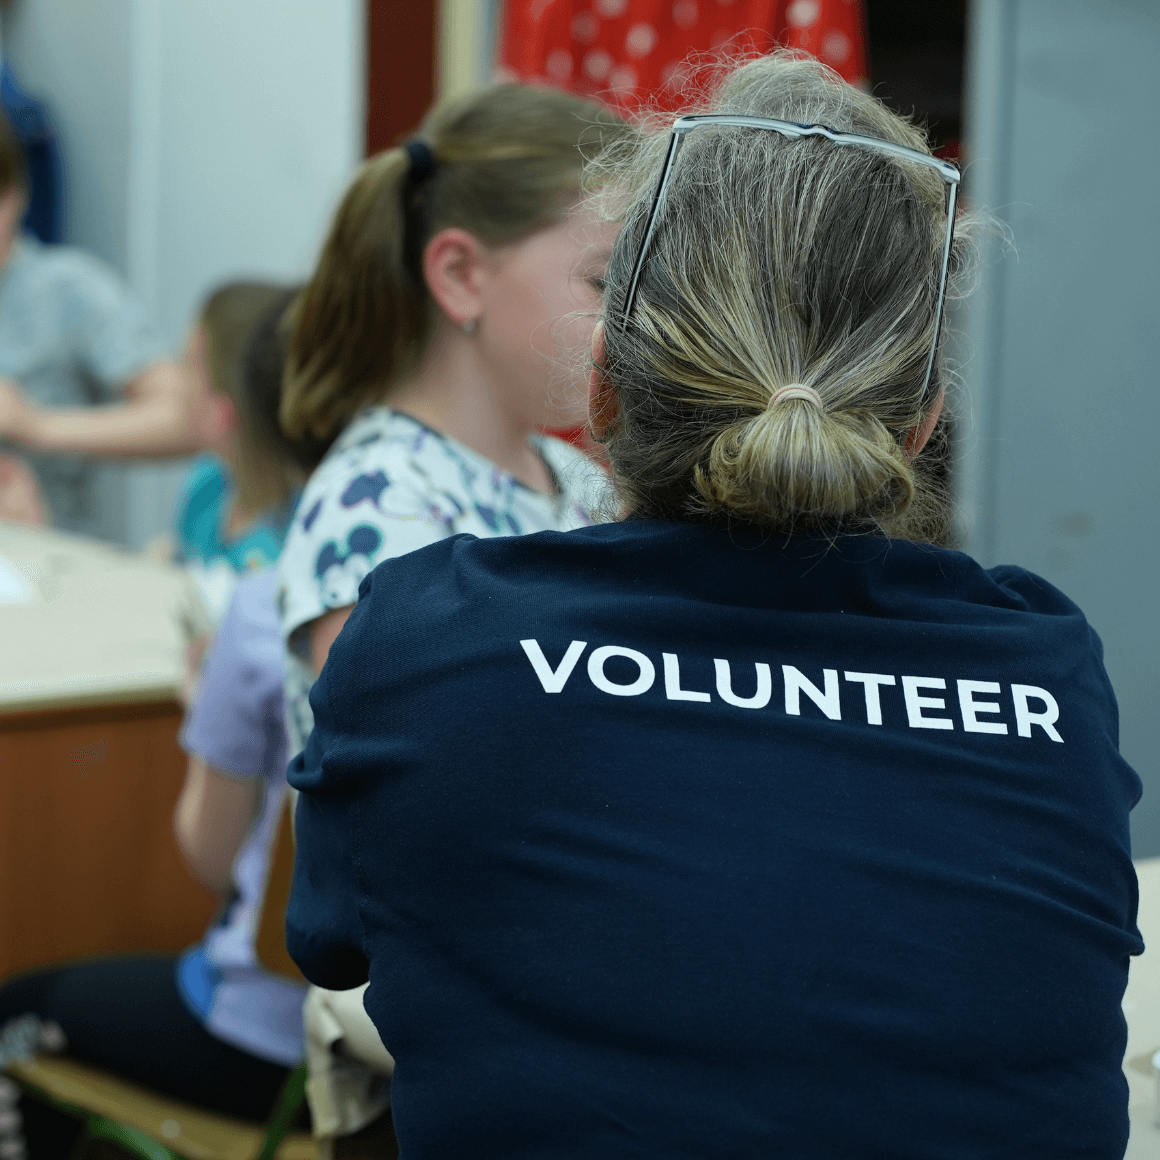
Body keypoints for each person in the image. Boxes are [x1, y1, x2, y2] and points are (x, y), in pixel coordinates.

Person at [284, 53, 1143, 1159]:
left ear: (598, 384)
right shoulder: (1044, 673)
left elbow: (334, 945)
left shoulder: (428, 644)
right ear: (924, 417)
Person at [273, 82, 629, 1145]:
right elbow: (452, 785)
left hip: (571, 949)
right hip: (447, 1005)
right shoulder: (372, 503)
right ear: (461, 273)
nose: (638, 320)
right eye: (608, 280)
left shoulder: (582, 484)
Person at [0, 307, 319, 1157]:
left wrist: (205, 717)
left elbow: (208, 861)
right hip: (418, 1038)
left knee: (16, 1001)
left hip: (281, 1040)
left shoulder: (265, 613)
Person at [0, 111, 207, 540]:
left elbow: (187, 416)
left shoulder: (66, 289)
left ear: (16, 197)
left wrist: (37, 425)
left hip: (47, 559)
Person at [173, 282, 315, 621]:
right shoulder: (207, 484)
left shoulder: (298, 532)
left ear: (224, 411)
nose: (175, 383)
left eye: (188, 368)